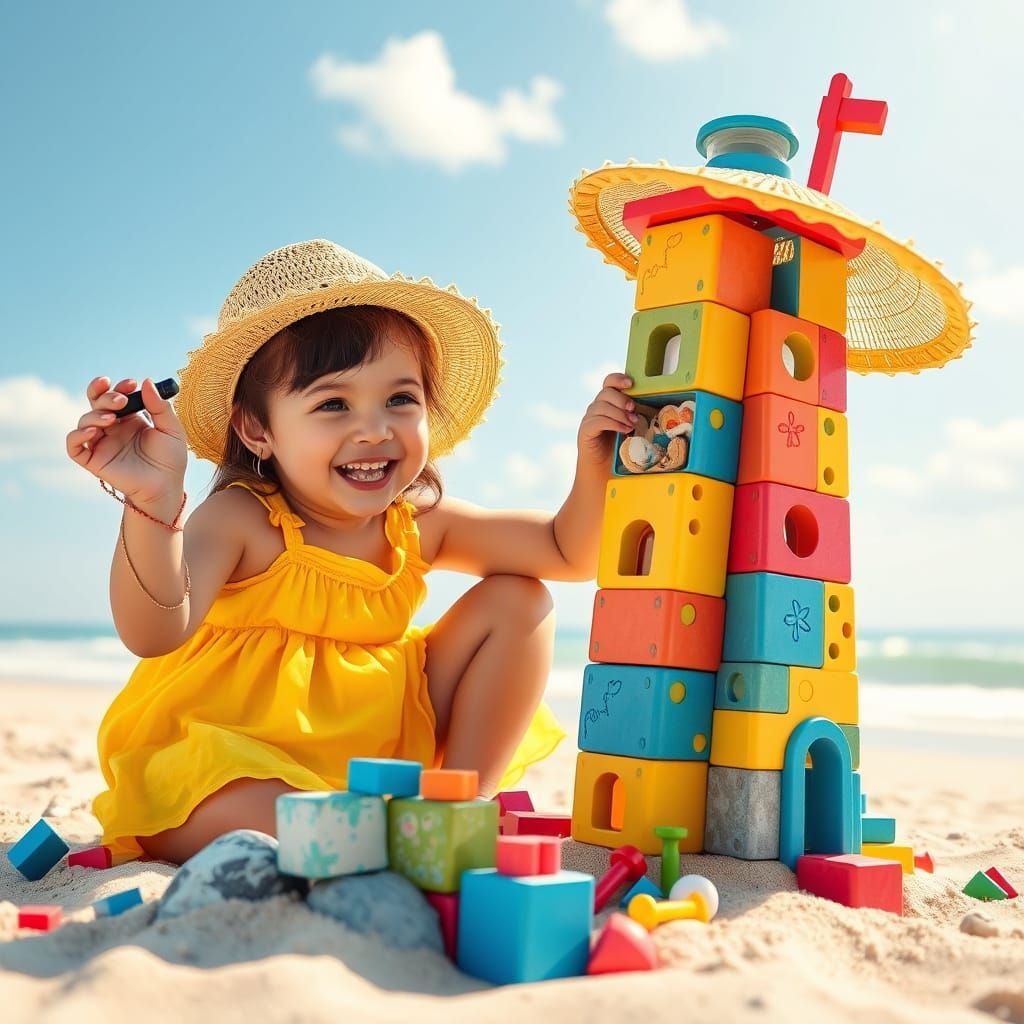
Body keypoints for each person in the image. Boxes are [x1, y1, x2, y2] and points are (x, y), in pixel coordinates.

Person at [66, 239, 639, 866]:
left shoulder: (417, 522)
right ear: (258, 429)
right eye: (333, 404)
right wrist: (152, 499)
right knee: (277, 816)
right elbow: (155, 630)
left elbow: (566, 551)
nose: (375, 428)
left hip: (378, 752)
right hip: (237, 756)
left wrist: (595, 466)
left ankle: (455, 811)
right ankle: (374, 835)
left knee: (521, 598)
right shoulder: (243, 519)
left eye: (400, 399)